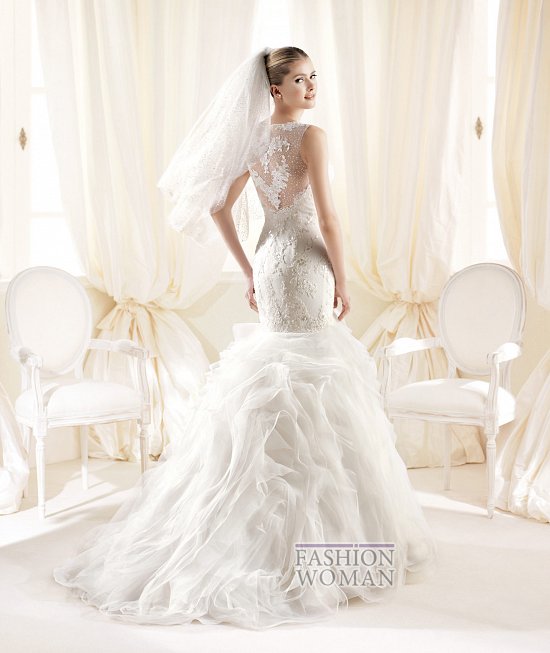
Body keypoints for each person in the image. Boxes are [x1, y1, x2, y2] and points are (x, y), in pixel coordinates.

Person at [53, 46, 438, 630]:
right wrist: (342, 279)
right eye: (301, 80)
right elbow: (328, 219)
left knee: (282, 371)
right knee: (312, 375)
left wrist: (249, 270)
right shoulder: (311, 137)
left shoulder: (252, 139)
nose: (312, 87)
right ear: (276, 89)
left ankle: (263, 531)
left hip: (270, 262)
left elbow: (218, 207)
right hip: (305, 265)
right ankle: (325, 550)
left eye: (314, 78)